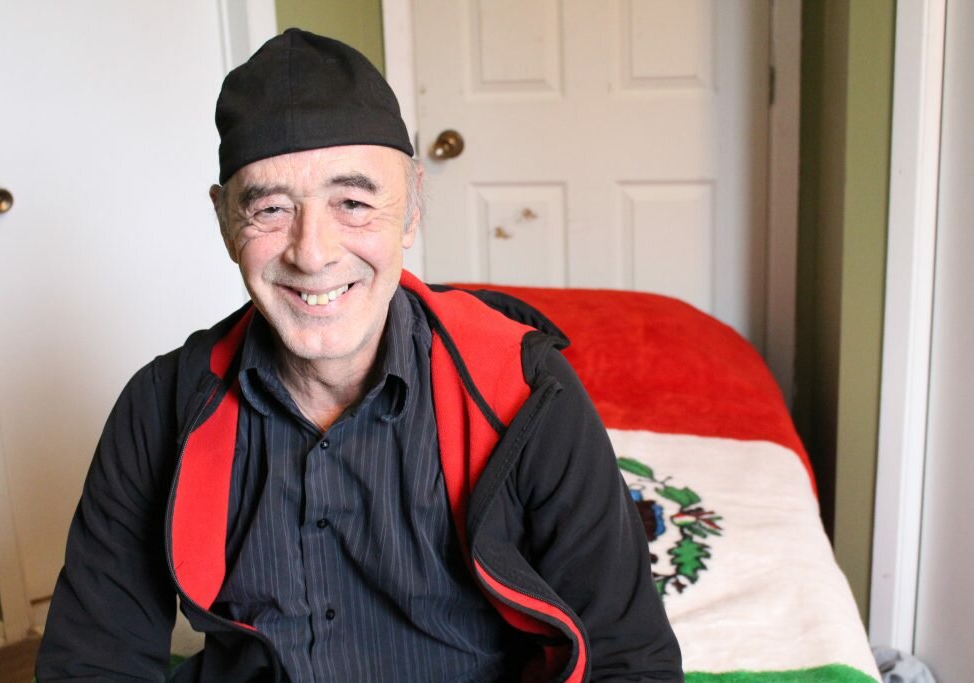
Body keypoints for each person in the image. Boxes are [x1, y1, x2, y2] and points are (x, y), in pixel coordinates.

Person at [35, 28, 682, 682]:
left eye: (353, 202)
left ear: (411, 208)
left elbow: (629, 657)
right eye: (270, 208)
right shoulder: (162, 404)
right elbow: (91, 659)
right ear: (226, 221)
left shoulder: (524, 391)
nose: (312, 252)